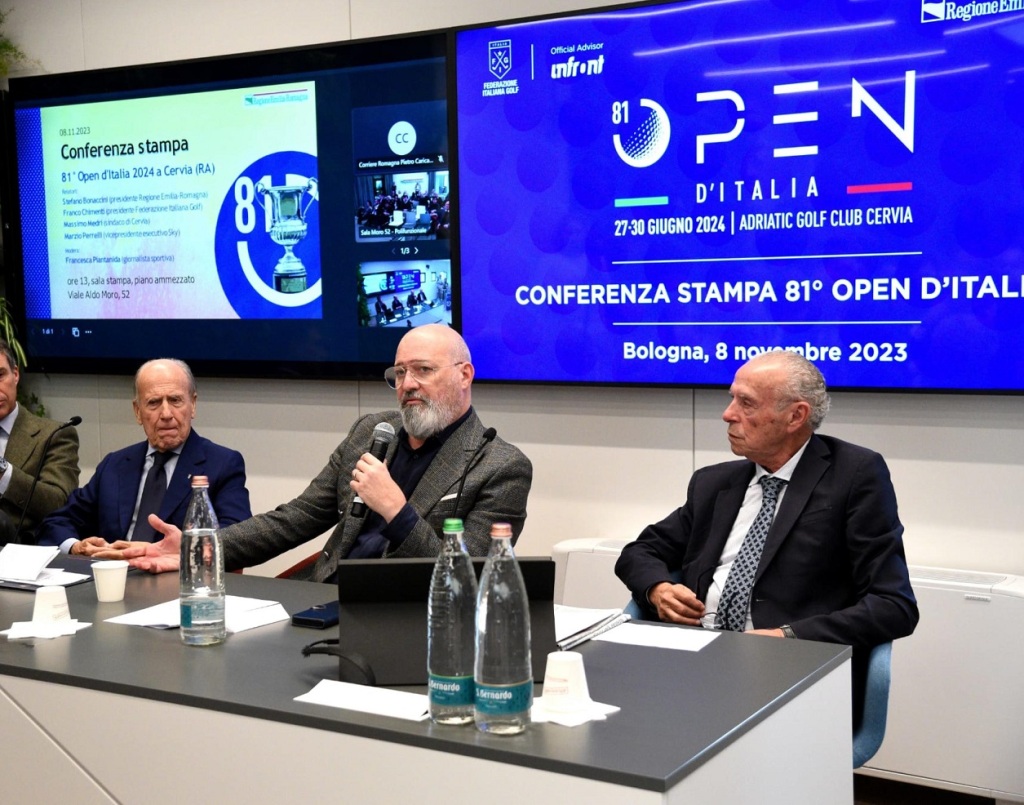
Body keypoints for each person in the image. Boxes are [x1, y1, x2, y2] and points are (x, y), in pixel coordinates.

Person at [615, 351, 918, 720]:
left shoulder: (854, 476)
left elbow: (894, 606)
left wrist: (784, 638)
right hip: (696, 656)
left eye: (746, 403)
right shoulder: (715, 482)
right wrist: (658, 589)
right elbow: (639, 552)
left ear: (796, 416)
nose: (728, 414)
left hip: (787, 670)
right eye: (731, 399)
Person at [104, 325, 533, 583]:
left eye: (423, 370)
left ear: (464, 376)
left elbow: (469, 581)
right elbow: (294, 519)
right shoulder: (372, 432)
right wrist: (202, 547)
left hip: (413, 622)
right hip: (328, 599)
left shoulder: (500, 467)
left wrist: (397, 511)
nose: (408, 384)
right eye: (399, 373)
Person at [36, 358, 251, 555]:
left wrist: (170, 549)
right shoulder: (115, 465)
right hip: (113, 580)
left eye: (175, 400)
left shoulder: (222, 464)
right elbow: (58, 521)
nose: (166, 414)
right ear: (138, 411)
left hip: (177, 583)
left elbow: (237, 536)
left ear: (192, 404)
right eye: (154, 403)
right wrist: (75, 546)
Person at [0, 340, 80, 544]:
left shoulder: (54, 435)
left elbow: (59, 505)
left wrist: (4, 473)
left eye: (0, 375)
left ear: (15, 374)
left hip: (21, 557)